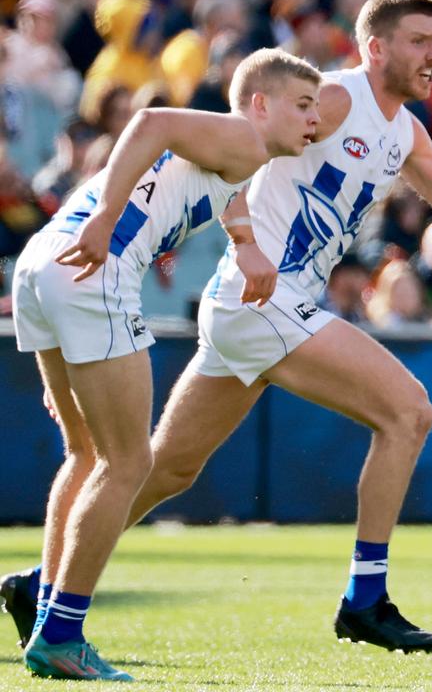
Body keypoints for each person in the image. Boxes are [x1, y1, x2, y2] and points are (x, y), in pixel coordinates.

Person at [2, 0, 432, 660]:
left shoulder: (404, 130)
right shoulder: (334, 98)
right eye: (419, 41)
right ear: (375, 47)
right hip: (267, 302)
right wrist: (246, 241)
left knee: (165, 471)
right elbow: (242, 141)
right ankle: (365, 598)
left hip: (253, 303)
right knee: (409, 412)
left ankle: (44, 586)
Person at [2, 48, 322, 681]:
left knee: (87, 454)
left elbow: (223, 190)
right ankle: (61, 633)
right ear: (260, 105)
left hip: (43, 266)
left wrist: (247, 243)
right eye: (303, 105)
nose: (315, 120)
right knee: (131, 462)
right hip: (95, 268)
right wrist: (107, 215)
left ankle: (45, 609)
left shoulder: (236, 154)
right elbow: (151, 124)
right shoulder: (243, 137)